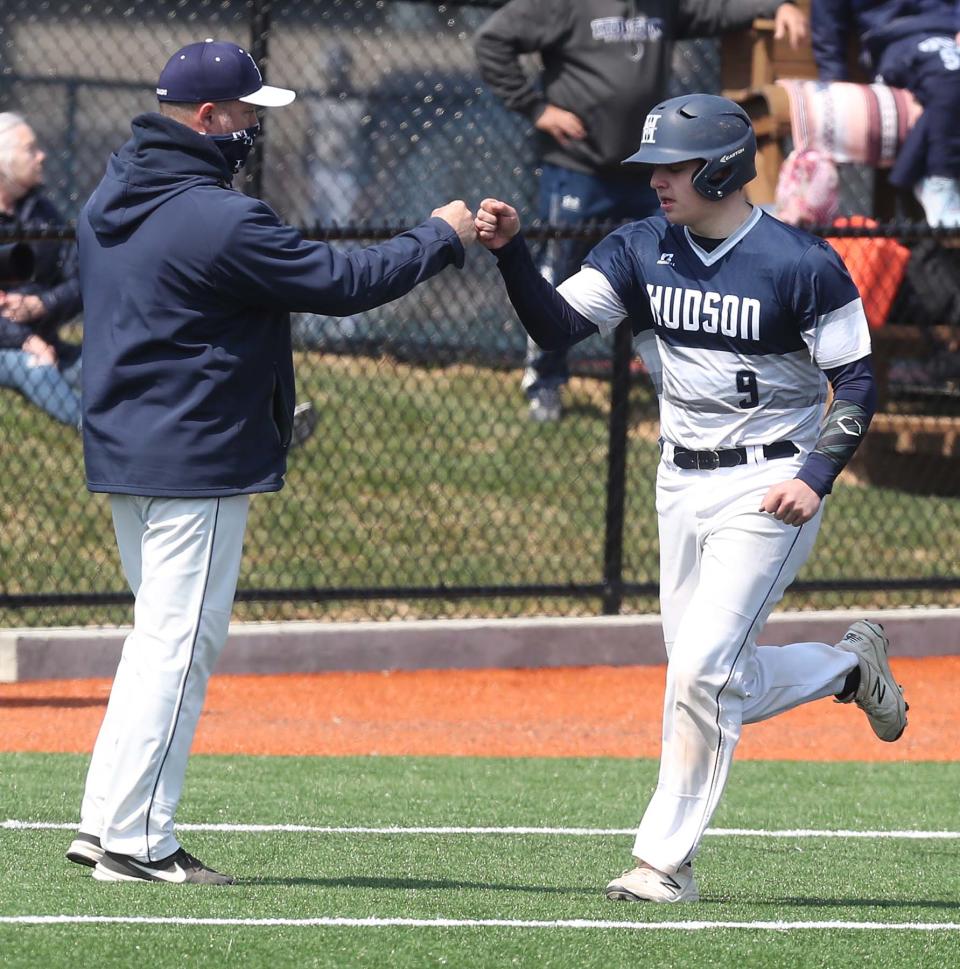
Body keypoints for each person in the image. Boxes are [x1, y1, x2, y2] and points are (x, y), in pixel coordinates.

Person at [476, 93, 907, 902]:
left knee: (701, 670)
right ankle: (850, 667)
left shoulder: (799, 262)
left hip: (767, 486)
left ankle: (662, 862)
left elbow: (854, 379)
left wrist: (812, 477)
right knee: (711, 673)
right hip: (680, 480)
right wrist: (511, 254)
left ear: (720, 167)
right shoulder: (640, 247)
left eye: (671, 167)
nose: (657, 183)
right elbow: (558, 328)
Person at [65, 39, 476, 885]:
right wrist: (441, 233)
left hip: (129, 445)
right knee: (179, 646)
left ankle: (106, 816)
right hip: (198, 454)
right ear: (208, 117)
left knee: (154, 641)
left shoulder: (114, 187)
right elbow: (346, 280)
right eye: (249, 114)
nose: (256, 128)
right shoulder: (218, 215)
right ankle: (136, 841)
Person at [474, 0, 808, 422]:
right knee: (558, 273)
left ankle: (671, 385)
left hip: (648, 173)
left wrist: (778, 6)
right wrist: (535, 108)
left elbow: (718, 10)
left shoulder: (663, 5)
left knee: (667, 277)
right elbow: (492, 41)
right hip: (579, 167)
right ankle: (546, 383)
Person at [811, 0, 960, 226]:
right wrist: (833, 83)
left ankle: (916, 175)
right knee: (951, 73)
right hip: (896, 41)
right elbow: (827, 21)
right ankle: (940, 177)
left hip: (950, 35)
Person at [0, 112, 82, 428]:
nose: (42, 156)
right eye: (30, 149)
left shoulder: (44, 213)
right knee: (33, 365)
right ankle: (96, 435)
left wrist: (42, 305)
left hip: (46, 338)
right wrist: (23, 339)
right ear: (4, 162)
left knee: (96, 370)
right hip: (21, 347)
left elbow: (79, 280)